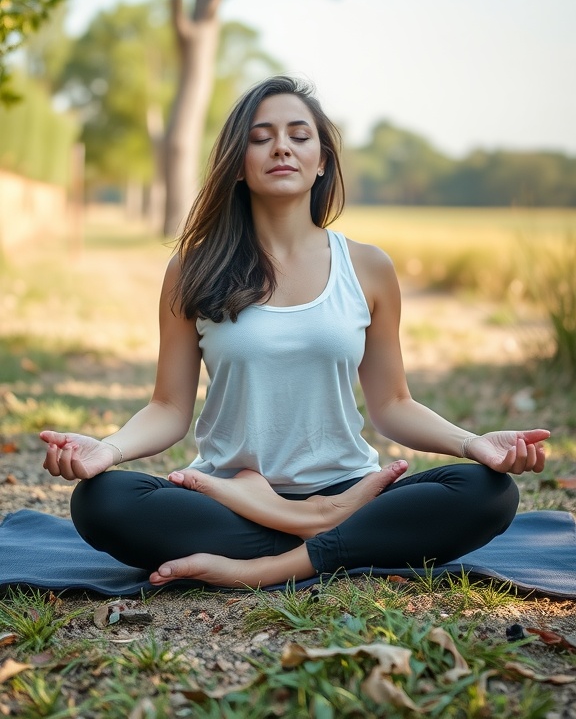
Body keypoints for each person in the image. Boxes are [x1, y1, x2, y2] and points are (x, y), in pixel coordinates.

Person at [40, 76, 549, 590]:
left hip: (348, 488)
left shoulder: (368, 268)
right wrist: (108, 449)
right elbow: (169, 409)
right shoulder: (193, 268)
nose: (281, 146)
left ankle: (270, 564)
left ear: (323, 159)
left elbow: (392, 403)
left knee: (489, 491)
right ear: (238, 164)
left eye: (299, 135)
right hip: (229, 496)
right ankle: (328, 535)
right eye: (260, 137)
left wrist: (473, 444)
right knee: (101, 501)